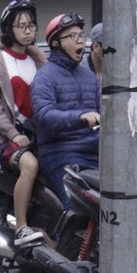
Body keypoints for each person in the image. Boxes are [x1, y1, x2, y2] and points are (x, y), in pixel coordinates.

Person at [0, 0, 47, 247]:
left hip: (36, 135)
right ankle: (21, 227)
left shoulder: (39, 63)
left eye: (31, 25)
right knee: (30, 165)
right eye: (21, 26)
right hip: (4, 139)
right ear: (9, 29)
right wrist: (14, 135)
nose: (28, 30)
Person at [30, 12, 100, 205]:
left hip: (94, 155)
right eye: (73, 37)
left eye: (81, 36)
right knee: (76, 206)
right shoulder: (45, 77)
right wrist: (81, 117)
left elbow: (105, 113)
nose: (81, 41)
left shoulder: (90, 77)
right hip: (60, 154)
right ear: (55, 43)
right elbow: (44, 115)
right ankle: (63, 236)